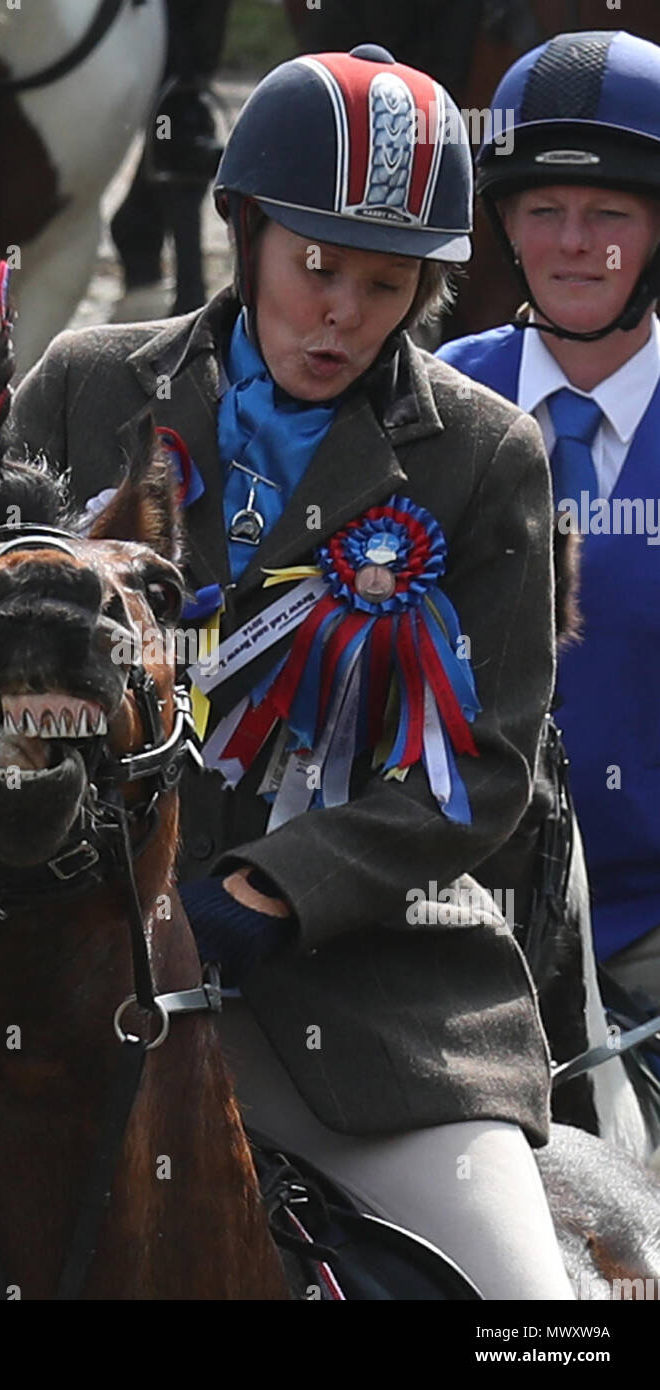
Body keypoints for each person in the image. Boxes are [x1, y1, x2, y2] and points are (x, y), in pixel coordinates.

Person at [0, 44, 576, 1301]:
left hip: (367, 1002)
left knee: (533, 1316)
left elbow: (485, 767)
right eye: (315, 266)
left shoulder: (484, 455)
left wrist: (266, 895)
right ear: (244, 231)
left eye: (385, 282)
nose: (344, 313)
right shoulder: (91, 382)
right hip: (48, 974)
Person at [437, 30, 660, 1034]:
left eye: (611, 212)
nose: (575, 242)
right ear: (505, 227)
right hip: (453, 912)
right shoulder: (427, 402)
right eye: (542, 211)